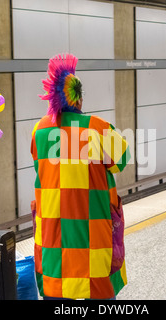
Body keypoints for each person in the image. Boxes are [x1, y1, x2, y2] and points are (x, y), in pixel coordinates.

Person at [30, 53, 131, 300]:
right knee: (99, 290)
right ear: (79, 98)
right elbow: (122, 161)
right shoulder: (97, 128)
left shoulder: (40, 130)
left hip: (55, 238)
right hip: (93, 237)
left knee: (56, 292)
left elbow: (39, 166)